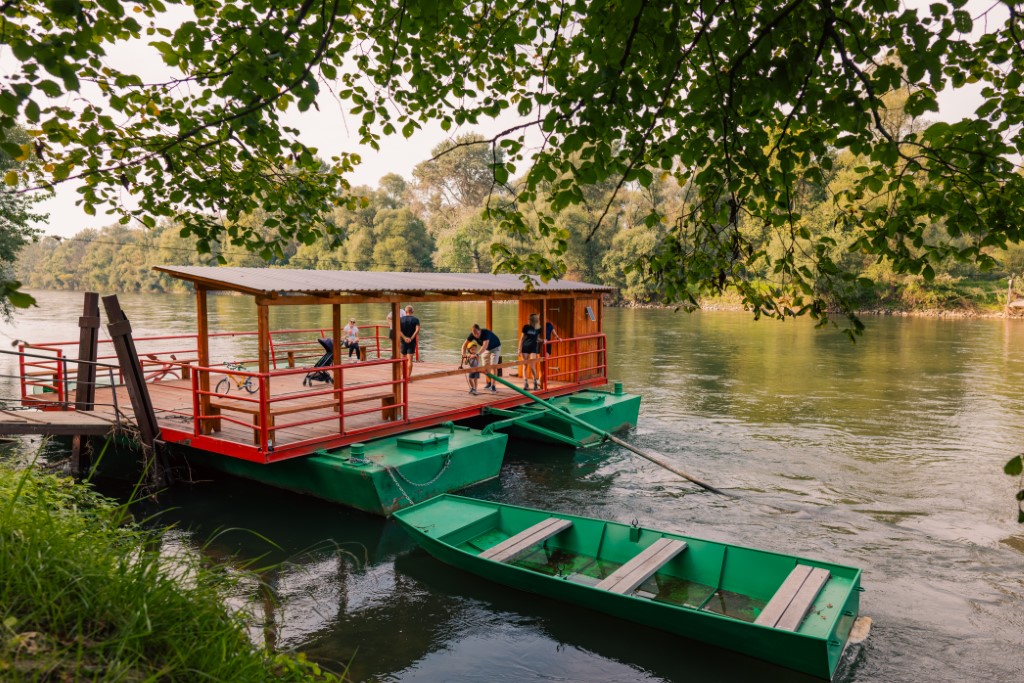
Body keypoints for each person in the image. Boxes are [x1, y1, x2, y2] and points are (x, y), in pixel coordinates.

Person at [462, 324, 501, 392]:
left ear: (480, 330)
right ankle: (489, 383)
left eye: (477, 333)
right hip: (486, 349)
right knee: (485, 367)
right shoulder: (472, 335)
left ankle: (493, 386)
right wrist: (463, 354)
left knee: (493, 366)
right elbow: (464, 345)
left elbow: (485, 345)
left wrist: (477, 354)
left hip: (495, 348)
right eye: (474, 334)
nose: (476, 335)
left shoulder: (486, 333)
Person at [518, 313, 541, 391]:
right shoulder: (526, 327)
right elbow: (521, 339)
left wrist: (543, 340)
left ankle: (535, 382)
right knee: (525, 365)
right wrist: (519, 349)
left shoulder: (538, 329)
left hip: (533, 348)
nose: (529, 320)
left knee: (532, 366)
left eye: (530, 319)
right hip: (525, 347)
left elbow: (537, 338)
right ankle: (526, 383)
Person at [398, 305, 420, 375]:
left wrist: (404, 338)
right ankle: (408, 376)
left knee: (402, 359)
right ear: (412, 311)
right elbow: (417, 330)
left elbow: (398, 330)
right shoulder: (416, 319)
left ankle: (402, 375)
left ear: (405, 311)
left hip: (403, 341)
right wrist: (411, 338)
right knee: (410, 360)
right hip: (411, 342)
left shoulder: (400, 319)